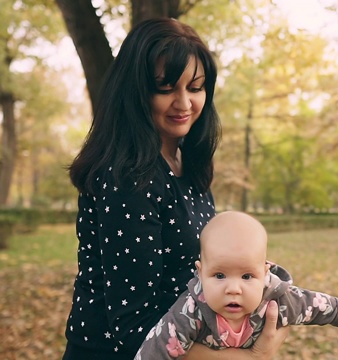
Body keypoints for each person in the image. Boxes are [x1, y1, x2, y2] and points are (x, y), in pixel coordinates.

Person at [62, 18, 288, 359]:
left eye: (195, 88)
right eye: (165, 87)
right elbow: (135, 327)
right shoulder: (127, 178)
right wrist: (249, 357)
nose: (184, 103)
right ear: (135, 91)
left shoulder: (186, 165)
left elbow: (188, 274)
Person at [135, 211, 338, 359]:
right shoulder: (191, 310)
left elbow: (312, 304)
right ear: (201, 272)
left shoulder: (275, 298)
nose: (233, 288)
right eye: (219, 275)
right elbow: (158, 346)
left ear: (264, 273)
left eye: (247, 276)